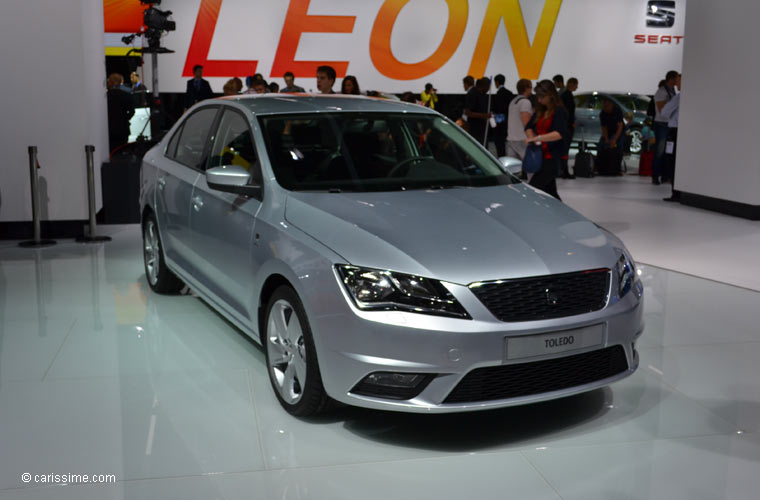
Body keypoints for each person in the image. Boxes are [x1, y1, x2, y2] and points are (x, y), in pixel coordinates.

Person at [524, 80, 568, 200]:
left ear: (550, 95)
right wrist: (532, 137)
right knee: (551, 194)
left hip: (552, 158)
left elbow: (559, 134)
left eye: (542, 97)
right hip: (541, 156)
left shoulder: (559, 111)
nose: (539, 100)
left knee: (533, 189)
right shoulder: (541, 111)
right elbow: (528, 127)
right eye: (538, 96)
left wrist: (538, 138)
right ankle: (563, 216)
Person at [652, 70, 679, 184]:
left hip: (670, 124)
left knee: (668, 152)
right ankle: (655, 175)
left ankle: (665, 175)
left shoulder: (673, 91)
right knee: (660, 151)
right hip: (662, 124)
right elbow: (662, 110)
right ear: (672, 79)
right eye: (677, 78)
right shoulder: (662, 92)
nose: (679, 81)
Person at [661, 73, 682, 202]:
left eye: (678, 81)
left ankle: (675, 192)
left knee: (673, 162)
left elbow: (664, 112)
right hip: (681, 132)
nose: (676, 83)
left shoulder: (678, 98)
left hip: (674, 131)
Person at [106, 73, 134, 152]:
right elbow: (132, 111)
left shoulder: (106, 96)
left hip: (109, 130)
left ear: (109, 82)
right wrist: (125, 118)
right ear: (121, 82)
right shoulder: (126, 95)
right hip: (123, 129)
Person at [507, 79, 533, 161]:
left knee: (514, 167)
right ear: (527, 88)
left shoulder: (513, 101)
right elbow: (526, 122)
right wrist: (532, 137)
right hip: (522, 139)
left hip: (511, 139)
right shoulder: (525, 102)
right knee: (529, 166)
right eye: (531, 87)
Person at [598, 97, 625, 174]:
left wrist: (615, 139)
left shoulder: (617, 111)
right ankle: (600, 167)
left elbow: (620, 126)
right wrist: (606, 139)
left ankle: (617, 168)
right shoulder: (602, 113)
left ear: (611, 105)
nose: (605, 108)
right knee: (601, 145)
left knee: (619, 147)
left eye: (607, 106)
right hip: (609, 132)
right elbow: (604, 128)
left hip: (618, 131)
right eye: (604, 106)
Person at [491, 74, 514, 157]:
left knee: (499, 143)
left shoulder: (498, 94)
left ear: (496, 82)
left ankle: (501, 158)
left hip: (499, 121)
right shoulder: (509, 93)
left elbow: (498, 108)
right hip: (508, 120)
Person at [465, 77, 492, 145]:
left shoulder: (484, 95)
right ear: (483, 86)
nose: (489, 89)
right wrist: (483, 115)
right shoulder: (472, 94)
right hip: (474, 129)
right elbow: (468, 112)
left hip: (482, 129)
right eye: (488, 87)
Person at [559, 77, 577, 178]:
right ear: (572, 84)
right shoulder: (568, 96)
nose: (577, 87)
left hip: (565, 125)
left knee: (564, 149)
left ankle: (563, 170)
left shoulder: (564, 95)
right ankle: (564, 171)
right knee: (565, 149)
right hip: (567, 127)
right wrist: (571, 122)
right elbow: (568, 112)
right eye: (576, 84)